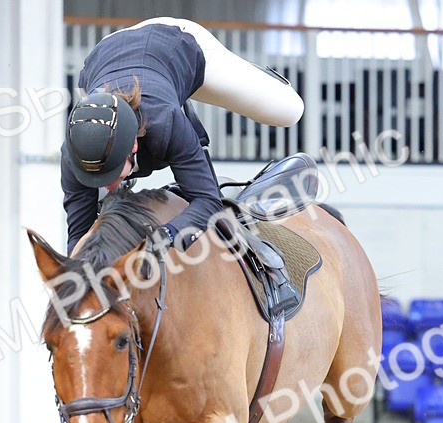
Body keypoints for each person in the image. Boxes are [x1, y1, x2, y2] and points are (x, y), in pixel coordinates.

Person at [61, 17, 304, 255]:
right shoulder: (74, 151)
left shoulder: (164, 121)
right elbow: (77, 237)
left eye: (112, 174)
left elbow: (207, 202)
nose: (105, 184)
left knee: (289, 111)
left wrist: (164, 237)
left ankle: (258, 76)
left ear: (134, 145)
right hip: (111, 47)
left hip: (177, 42)